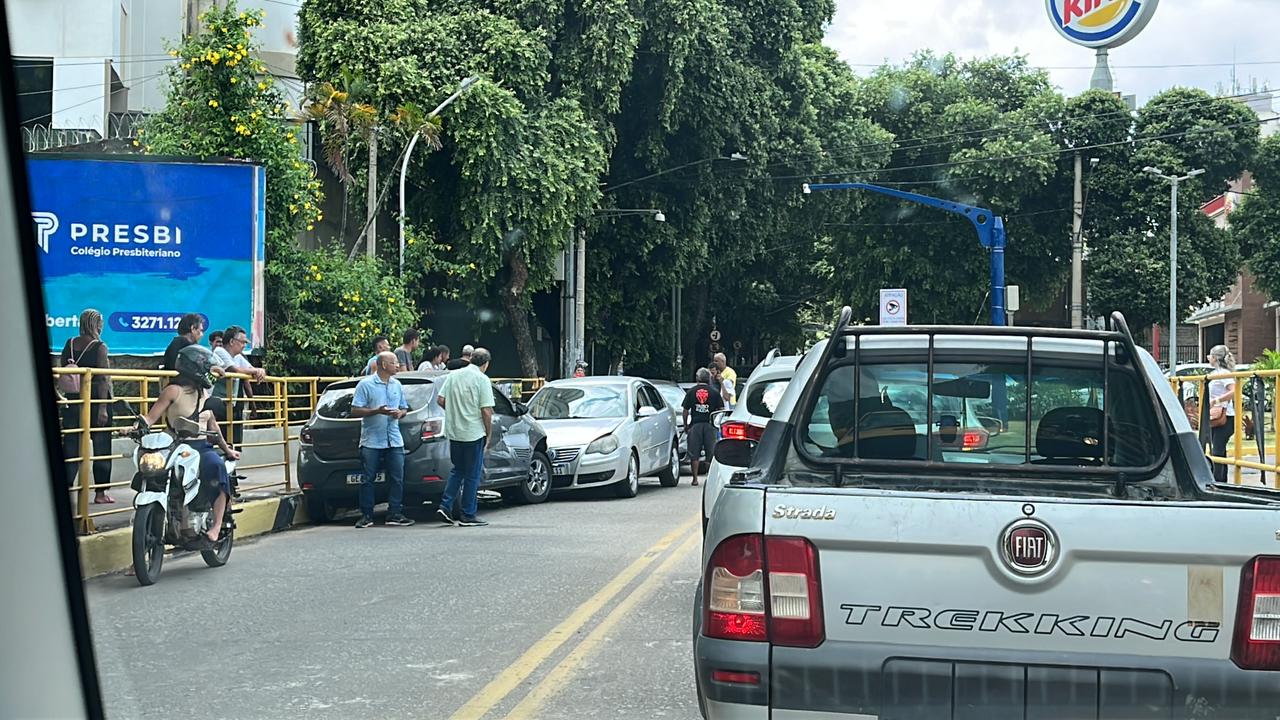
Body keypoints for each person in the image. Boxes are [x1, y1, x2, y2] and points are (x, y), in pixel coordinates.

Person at [136, 344, 239, 542]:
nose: (209, 372)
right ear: (196, 368)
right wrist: (134, 427)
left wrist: (227, 450)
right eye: (206, 368)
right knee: (151, 473)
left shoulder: (205, 395)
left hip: (200, 447)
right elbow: (150, 418)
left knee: (218, 468)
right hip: (174, 446)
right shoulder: (172, 391)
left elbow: (213, 426)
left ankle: (216, 526)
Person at [348, 351, 415, 528]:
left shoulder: (397, 385)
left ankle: (394, 513)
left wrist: (400, 413)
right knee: (368, 478)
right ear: (384, 365)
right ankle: (366, 515)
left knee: (397, 477)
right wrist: (376, 411)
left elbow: (404, 408)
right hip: (372, 440)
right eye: (394, 363)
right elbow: (355, 410)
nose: (398, 366)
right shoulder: (366, 384)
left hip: (394, 438)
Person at [59, 309, 115, 505]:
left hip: (74, 401)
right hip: (96, 402)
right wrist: (103, 408)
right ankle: (100, 493)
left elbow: (63, 370)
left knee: (71, 447)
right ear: (95, 325)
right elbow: (103, 379)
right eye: (100, 323)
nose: (102, 326)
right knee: (102, 448)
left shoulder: (70, 343)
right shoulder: (100, 347)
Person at [436, 347, 494, 526]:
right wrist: (488, 433)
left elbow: (440, 400)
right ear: (485, 364)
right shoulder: (482, 379)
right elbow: (486, 410)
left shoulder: (453, 375)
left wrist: (455, 411)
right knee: (472, 474)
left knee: (458, 470)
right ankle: (468, 513)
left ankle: (445, 505)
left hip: (455, 431)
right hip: (473, 431)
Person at [211, 325, 267, 449]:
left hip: (230, 403)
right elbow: (234, 369)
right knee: (217, 438)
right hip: (216, 402)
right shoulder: (219, 351)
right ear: (232, 341)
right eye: (242, 342)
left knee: (230, 439)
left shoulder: (237, 356)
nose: (244, 345)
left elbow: (249, 369)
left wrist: (259, 371)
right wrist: (256, 371)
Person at [682, 368, 724, 487]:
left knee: (694, 453)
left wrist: (686, 425)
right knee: (710, 453)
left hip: (695, 424)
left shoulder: (691, 392)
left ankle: (695, 479)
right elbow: (721, 409)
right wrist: (717, 423)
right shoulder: (714, 392)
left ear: (697, 378)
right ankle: (709, 479)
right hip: (710, 425)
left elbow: (685, 410)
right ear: (709, 378)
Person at [1205, 344, 1237, 483]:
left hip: (1225, 417)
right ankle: (1221, 480)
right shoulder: (1215, 373)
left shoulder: (1224, 374)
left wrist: (1217, 400)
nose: (1208, 358)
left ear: (1215, 358)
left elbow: (1233, 391)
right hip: (1217, 416)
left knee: (1217, 450)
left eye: (1210, 355)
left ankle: (1218, 480)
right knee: (1219, 450)